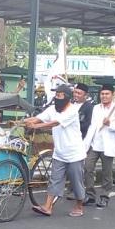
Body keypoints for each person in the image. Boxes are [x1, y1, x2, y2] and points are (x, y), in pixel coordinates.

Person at [25, 84, 88, 217]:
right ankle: (47, 207)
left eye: (60, 95)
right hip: (59, 152)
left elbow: (54, 123)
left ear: (67, 97)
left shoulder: (72, 111)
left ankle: (79, 206)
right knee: (54, 180)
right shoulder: (52, 109)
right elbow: (39, 118)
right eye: (56, 95)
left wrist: (36, 126)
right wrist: (23, 121)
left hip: (74, 154)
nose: (57, 98)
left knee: (76, 182)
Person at [83, 85, 115, 208]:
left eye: (107, 94)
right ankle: (90, 195)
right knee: (87, 168)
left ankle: (104, 196)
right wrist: (85, 144)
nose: (104, 96)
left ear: (112, 95)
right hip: (95, 144)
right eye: (102, 94)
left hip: (108, 146)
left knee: (106, 173)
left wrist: (110, 124)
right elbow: (92, 127)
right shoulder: (96, 108)